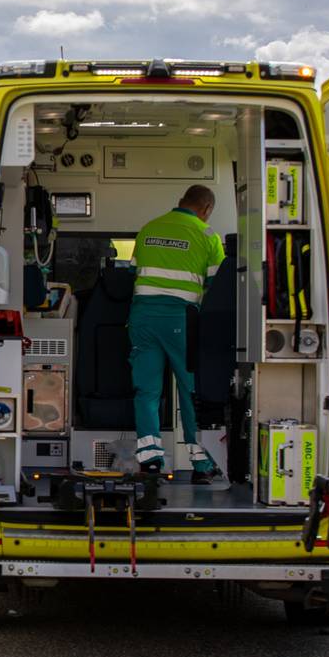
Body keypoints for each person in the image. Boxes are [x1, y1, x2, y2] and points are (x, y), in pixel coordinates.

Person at [129, 184, 225, 483]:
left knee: (147, 392)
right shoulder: (207, 235)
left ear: (181, 201)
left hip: (143, 318)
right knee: (191, 392)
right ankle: (201, 466)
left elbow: (136, 271)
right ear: (206, 209)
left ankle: (151, 462)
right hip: (182, 321)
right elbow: (217, 286)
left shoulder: (148, 228)